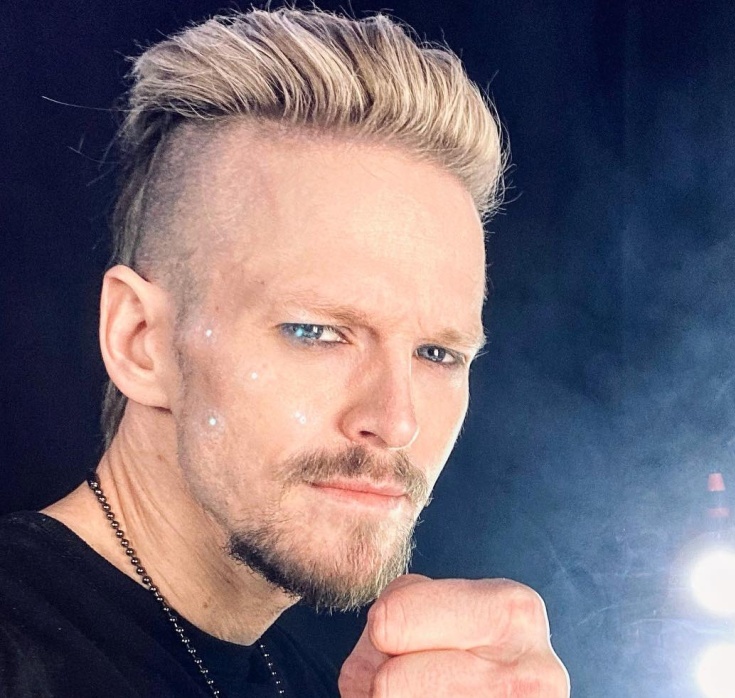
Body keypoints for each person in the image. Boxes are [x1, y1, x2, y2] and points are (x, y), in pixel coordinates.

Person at [0, 7, 569, 697]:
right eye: (316, 332)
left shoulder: (318, 681)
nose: (396, 422)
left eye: (438, 354)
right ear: (140, 341)